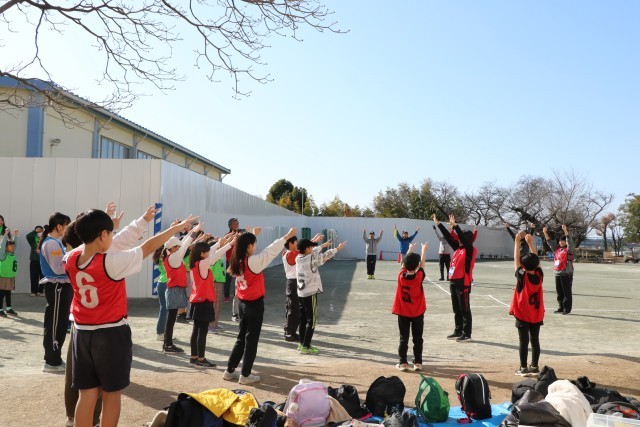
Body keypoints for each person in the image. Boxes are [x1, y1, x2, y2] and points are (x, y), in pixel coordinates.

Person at [64, 208, 196, 427]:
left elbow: (111, 243)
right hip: (110, 333)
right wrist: (174, 229)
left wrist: (138, 222)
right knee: (111, 394)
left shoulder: (71, 258)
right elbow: (149, 246)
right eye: (111, 233)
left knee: (86, 395)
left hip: (82, 333)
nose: (114, 237)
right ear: (103, 235)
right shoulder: (111, 263)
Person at [222, 226, 297, 385]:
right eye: (254, 244)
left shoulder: (237, 260)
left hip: (242, 304)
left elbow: (251, 250)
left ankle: (229, 370)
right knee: (251, 340)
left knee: (241, 338)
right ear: (249, 246)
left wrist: (252, 235)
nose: (255, 246)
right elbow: (270, 252)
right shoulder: (252, 262)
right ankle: (245, 374)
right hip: (253, 305)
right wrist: (287, 236)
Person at [188, 233, 234, 368]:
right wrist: (229, 244)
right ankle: (201, 359)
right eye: (207, 251)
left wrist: (219, 243)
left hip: (197, 301)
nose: (209, 253)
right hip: (204, 301)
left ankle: (194, 357)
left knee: (196, 330)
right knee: (202, 332)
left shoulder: (195, 264)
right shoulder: (203, 264)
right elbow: (215, 256)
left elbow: (211, 253)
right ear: (202, 253)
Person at [295, 237, 347, 355]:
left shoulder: (298, 258)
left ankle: (302, 343)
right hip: (310, 293)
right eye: (311, 247)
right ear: (307, 248)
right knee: (312, 321)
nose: (312, 248)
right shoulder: (311, 259)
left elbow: (313, 253)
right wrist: (337, 249)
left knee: (303, 320)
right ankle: (306, 346)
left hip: (301, 293)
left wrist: (322, 246)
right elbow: (324, 257)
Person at [433, 214, 477, 343]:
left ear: (466, 240)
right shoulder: (458, 248)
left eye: (461, 238)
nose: (458, 239)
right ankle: (458, 330)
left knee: (465, 308)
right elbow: (448, 237)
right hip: (453, 281)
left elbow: (462, 237)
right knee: (456, 308)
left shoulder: (470, 250)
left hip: (463, 282)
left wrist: (456, 226)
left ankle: (467, 334)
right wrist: (439, 224)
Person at [40, 212, 73, 372]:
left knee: (59, 323)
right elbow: (58, 268)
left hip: (60, 287)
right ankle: (52, 361)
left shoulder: (55, 242)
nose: (67, 229)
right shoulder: (52, 244)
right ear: (59, 226)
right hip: (57, 287)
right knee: (55, 324)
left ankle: (55, 358)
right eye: (66, 225)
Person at [162, 223, 202, 353]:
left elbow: (184, 243)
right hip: (174, 290)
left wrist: (194, 231)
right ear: (173, 248)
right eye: (177, 247)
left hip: (175, 289)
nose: (180, 248)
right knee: (171, 319)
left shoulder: (172, 256)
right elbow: (185, 244)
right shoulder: (174, 257)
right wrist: (195, 230)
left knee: (171, 319)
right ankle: (168, 344)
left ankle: (167, 344)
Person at [510, 232, 544, 377]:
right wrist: (530, 243)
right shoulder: (539, 275)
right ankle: (534, 366)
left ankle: (523, 368)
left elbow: (516, 259)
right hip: (536, 314)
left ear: (523, 266)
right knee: (535, 340)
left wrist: (517, 242)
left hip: (523, 314)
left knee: (523, 341)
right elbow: (536, 261)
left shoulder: (522, 276)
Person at [392, 241, 428, 372]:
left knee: (404, 338)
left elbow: (403, 263)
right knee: (418, 338)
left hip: (403, 312)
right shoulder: (418, 277)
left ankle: (403, 363)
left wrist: (410, 249)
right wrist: (423, 251)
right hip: (417, 312)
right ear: (417, 266)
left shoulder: (401, 276)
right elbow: (422, 265)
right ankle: (418, 362)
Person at [282, 232, 324, 342]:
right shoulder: (290, 254)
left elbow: (303, 249)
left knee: (292, 308)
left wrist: (312, 242)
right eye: (296, 242)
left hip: (294, 283)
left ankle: (289, 331)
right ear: (291, 244)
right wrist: (314, 241)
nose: (297, 244)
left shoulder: (288, 253)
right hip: (294, 282)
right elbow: (302, 250)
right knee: (294, 309)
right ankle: (290, 333)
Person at [543, 224, 574, 315]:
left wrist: (565, 230)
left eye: (563, 241)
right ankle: (561, 307)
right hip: (557, 273)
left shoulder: (569, 249)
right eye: (560, 241)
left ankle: (567, 309)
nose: (561, 242)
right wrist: (545, 233)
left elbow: (569, 241)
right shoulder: (557, 249)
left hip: (566, 273)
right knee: (559, 292)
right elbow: (550, 242)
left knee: (566, 292)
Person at [0, 228, 19, 317]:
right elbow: (2, 246)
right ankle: (0, 309)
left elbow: (16, 244)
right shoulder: (3, 255)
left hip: (11, 276)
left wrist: (15, 236)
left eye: (13, 246)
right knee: (1, 294)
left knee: (8, 293)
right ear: (6, 247)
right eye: (10, 246)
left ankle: (8, 308)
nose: (12, 247)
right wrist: (5, 235)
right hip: (3, 277)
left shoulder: (12, 254)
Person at [152, 246, 169, 341]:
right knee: (164, 310)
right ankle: (160, 333)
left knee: (164, 309)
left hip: (161, 283)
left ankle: (163, 332)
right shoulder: (165, 259)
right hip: (165, 284)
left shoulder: (159, 258)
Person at [26, 225, 44, 296]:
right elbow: (28, 236)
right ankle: (34, 291)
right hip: (34, 260)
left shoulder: (45, 238)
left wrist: (44, 233)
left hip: (43, 260)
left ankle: (41, 291)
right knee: (33, 276)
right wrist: (34, 232)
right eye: (37, 229)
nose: (39, 230)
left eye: (40, 229)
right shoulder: (33, 239)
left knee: (43, 276)